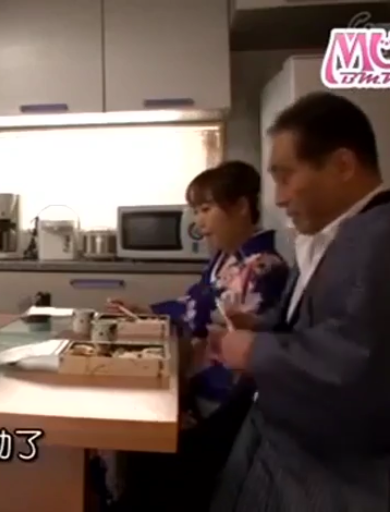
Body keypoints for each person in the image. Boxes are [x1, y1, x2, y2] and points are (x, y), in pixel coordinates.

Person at [209, 92, 390, 512]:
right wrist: (262, 327)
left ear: (343, 165)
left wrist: (254, 351)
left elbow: (360, 368)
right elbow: (319, 324)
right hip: (293, 456)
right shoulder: (344, 231)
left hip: (345, 481)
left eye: (285, 177)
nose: (278, 198)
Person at [109, 161, 290, 510]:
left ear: (241, 206)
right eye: (196, 211)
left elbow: (208, 320)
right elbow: (194, 301)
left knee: (143, 447)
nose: (199, 223)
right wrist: (146, 310)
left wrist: (158, 318)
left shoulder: (262, 267)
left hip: (223, 401)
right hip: (201, 387)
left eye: (206, 209)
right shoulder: (227, 259)